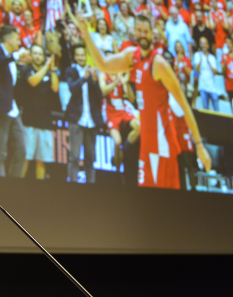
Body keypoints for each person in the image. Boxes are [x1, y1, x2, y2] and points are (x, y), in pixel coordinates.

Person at [78, 14, 211, 189]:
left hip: (162, 145)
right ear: (135, 32)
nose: (143, 34)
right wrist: (86, 33)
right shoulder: (132, 57)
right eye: (139, 30)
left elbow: (185, 105)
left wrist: (200, 146)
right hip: (146, 144)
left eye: (146, 31)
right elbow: (103, 64)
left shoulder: (160, 64)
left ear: (151, 33)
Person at [0, 26, 31, 177]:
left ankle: (14, 184)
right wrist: (16, 56)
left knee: (21, 150)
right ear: (9, 39)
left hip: (13, 108)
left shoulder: (11, 57)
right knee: (0, 153)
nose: (20, 41)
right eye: (17, 38)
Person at [19, 44, 60, 179]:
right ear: (31, 55)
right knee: (25, 157)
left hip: (45, 121)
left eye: (40, 54)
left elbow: (55, 88)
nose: (38, 56)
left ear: (43, 56)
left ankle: (39, 190)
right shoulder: (26, 70)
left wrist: (52, 69)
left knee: (41, 160)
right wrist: (46, 66)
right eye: (35, 53)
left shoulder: (49, 72)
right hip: (29, 120)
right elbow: (33, 81)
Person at [64, 45, 104, 183]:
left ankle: (90, 187)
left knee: (90, 159)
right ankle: (73, 186)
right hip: (77, 119)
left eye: (83, 55)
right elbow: (72, 88)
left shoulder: (93, 72)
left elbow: (100, 94)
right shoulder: (71, 71)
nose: (81, 57)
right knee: (74, 157)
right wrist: (84, 79)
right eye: (78, 55)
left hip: (92, 121)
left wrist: (94, 80)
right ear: (75, 57)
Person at [193, 36, 219, 111]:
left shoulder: (212, 58)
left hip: (212, 86)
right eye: (201, 43)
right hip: (202, 86)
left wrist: (208, 62)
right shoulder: (197, 55)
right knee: (205, 109)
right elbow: (197, 70)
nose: (203, 45)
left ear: (207, 45)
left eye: (204, 43)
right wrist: (201, 60)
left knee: (216, 109)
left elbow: (215, 73)